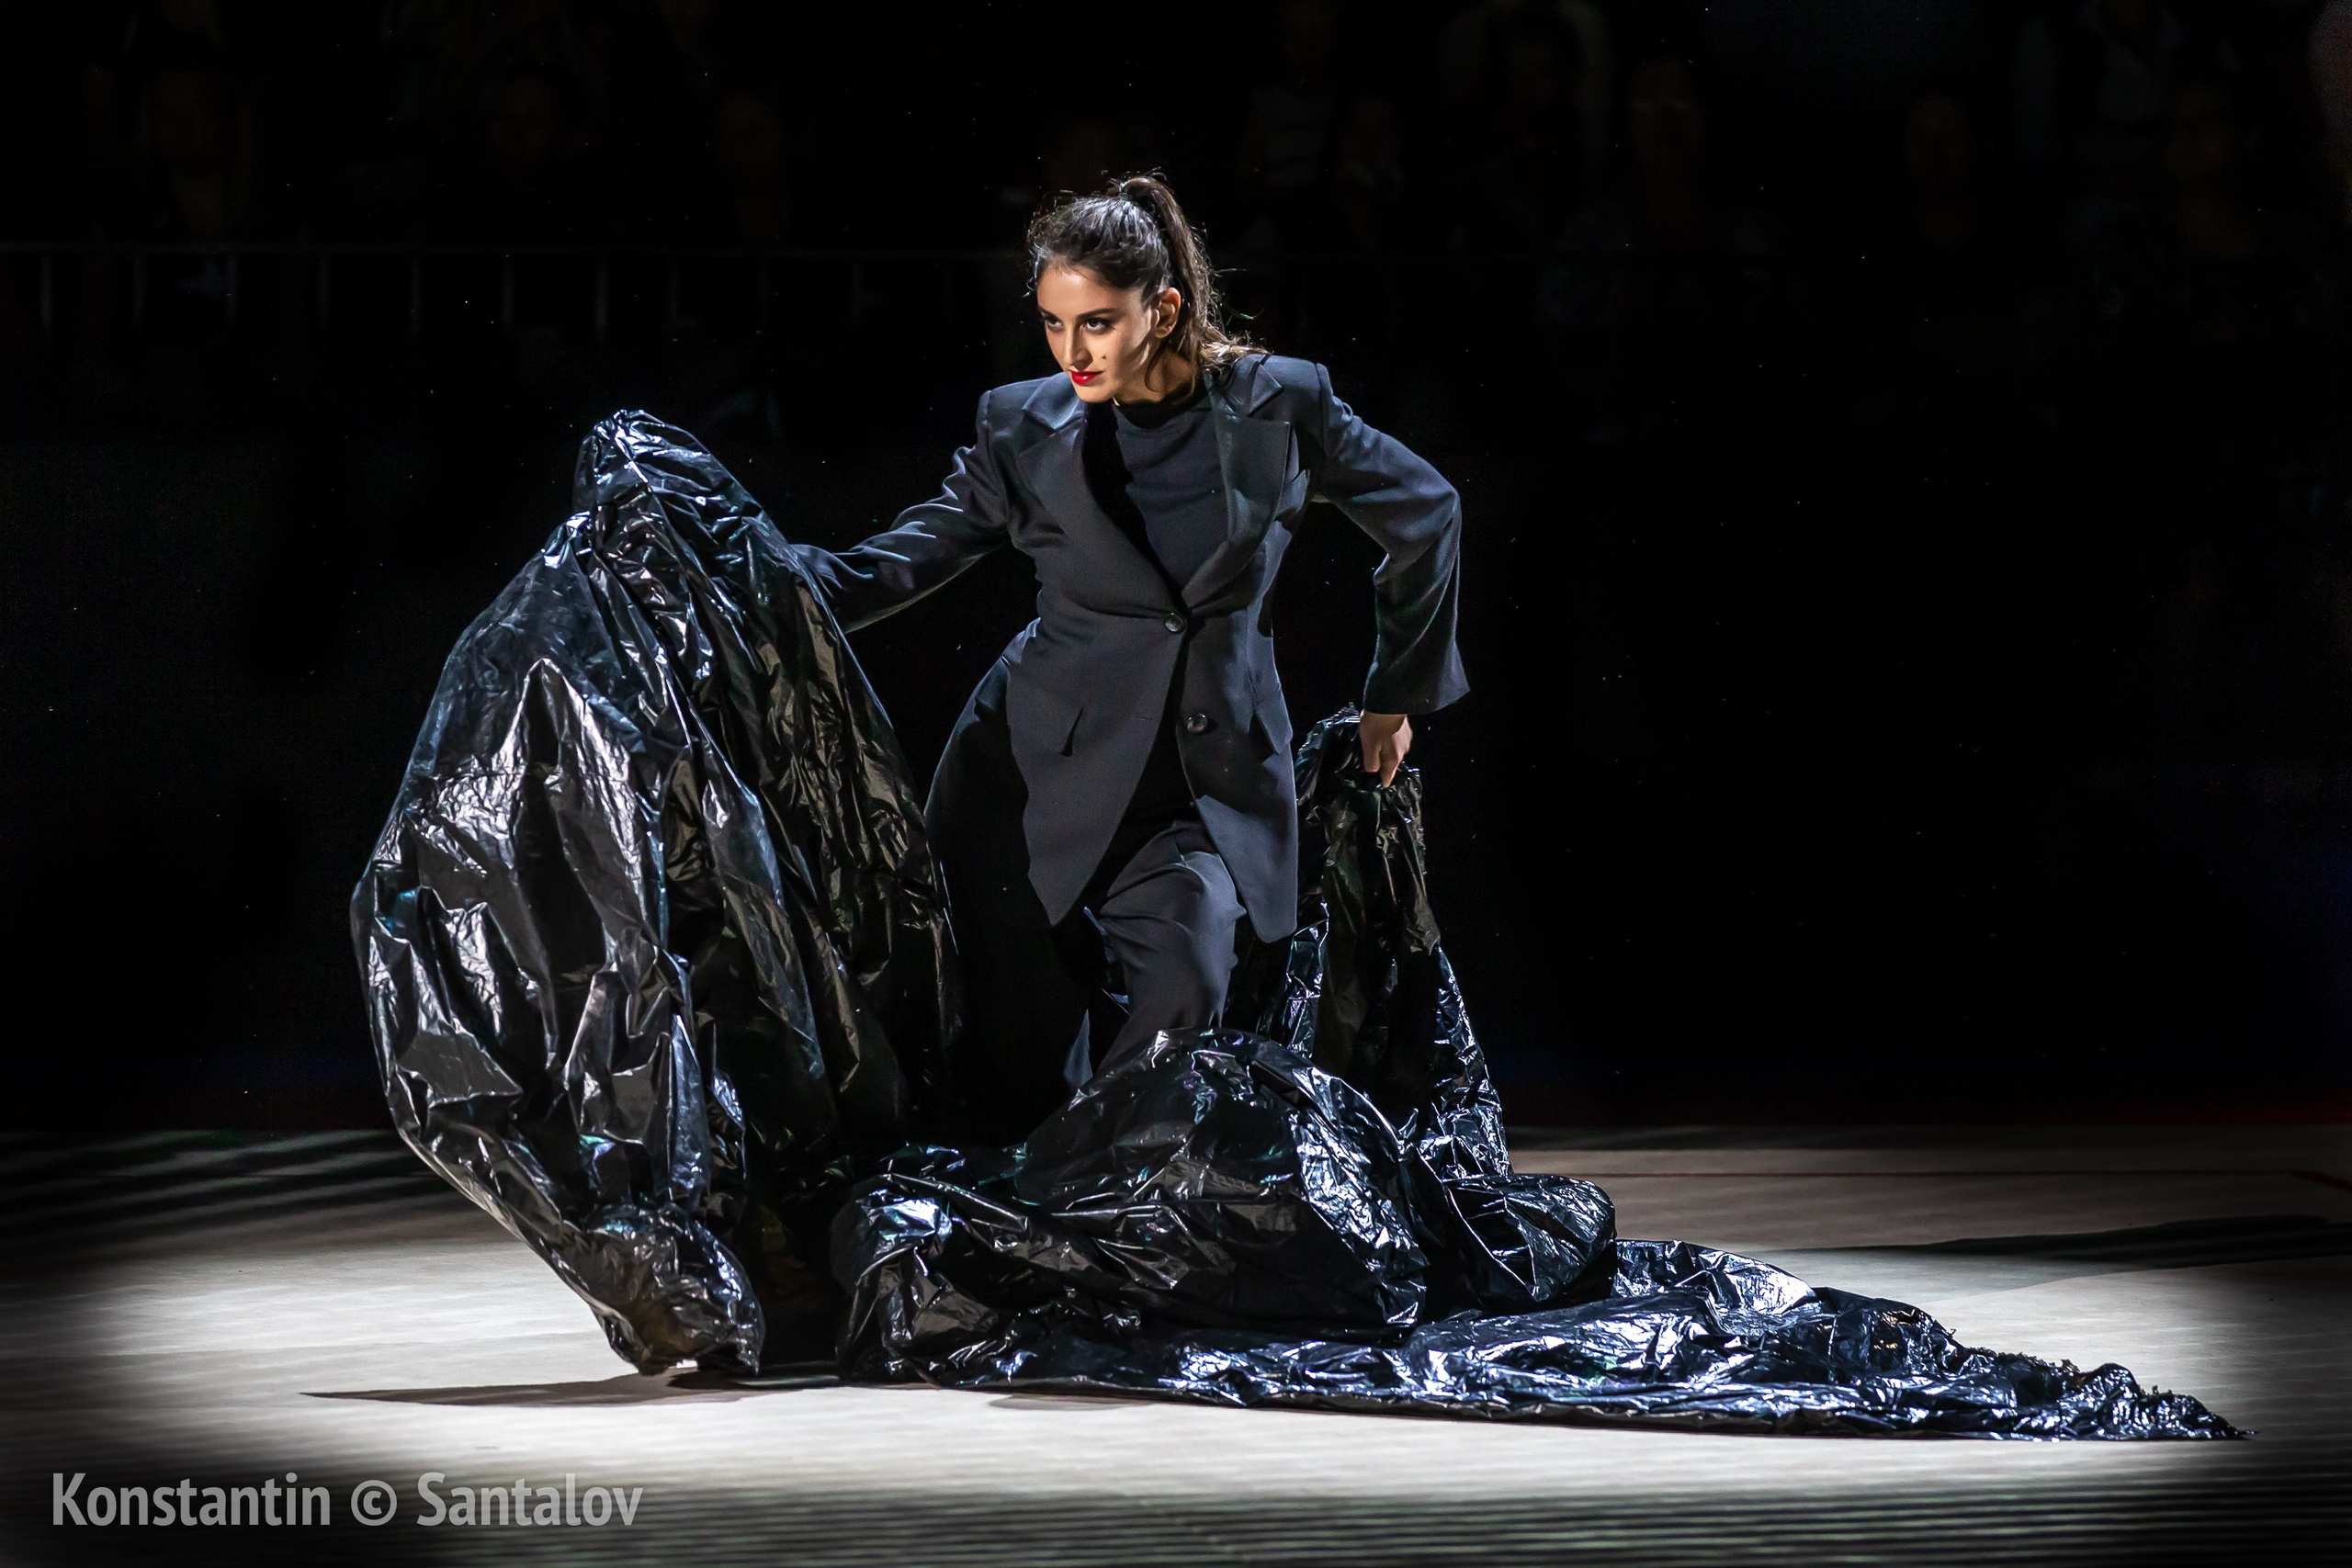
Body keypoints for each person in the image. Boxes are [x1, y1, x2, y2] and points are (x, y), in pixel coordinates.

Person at [790, 175, 1466, 1140]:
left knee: (1187, 988)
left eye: (1098, 323)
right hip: (1025, 784)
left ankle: (1099, 1203)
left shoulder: (1281, 403)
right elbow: (902, 560)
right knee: (1009, 1063)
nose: (1072, 350)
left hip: (1199, 789)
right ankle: (1052, 1240)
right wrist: (752, 577)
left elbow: (1426, 511)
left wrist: (1394, 694)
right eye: (1055, 324)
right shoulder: (1022, 426)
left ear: (1166, 308)